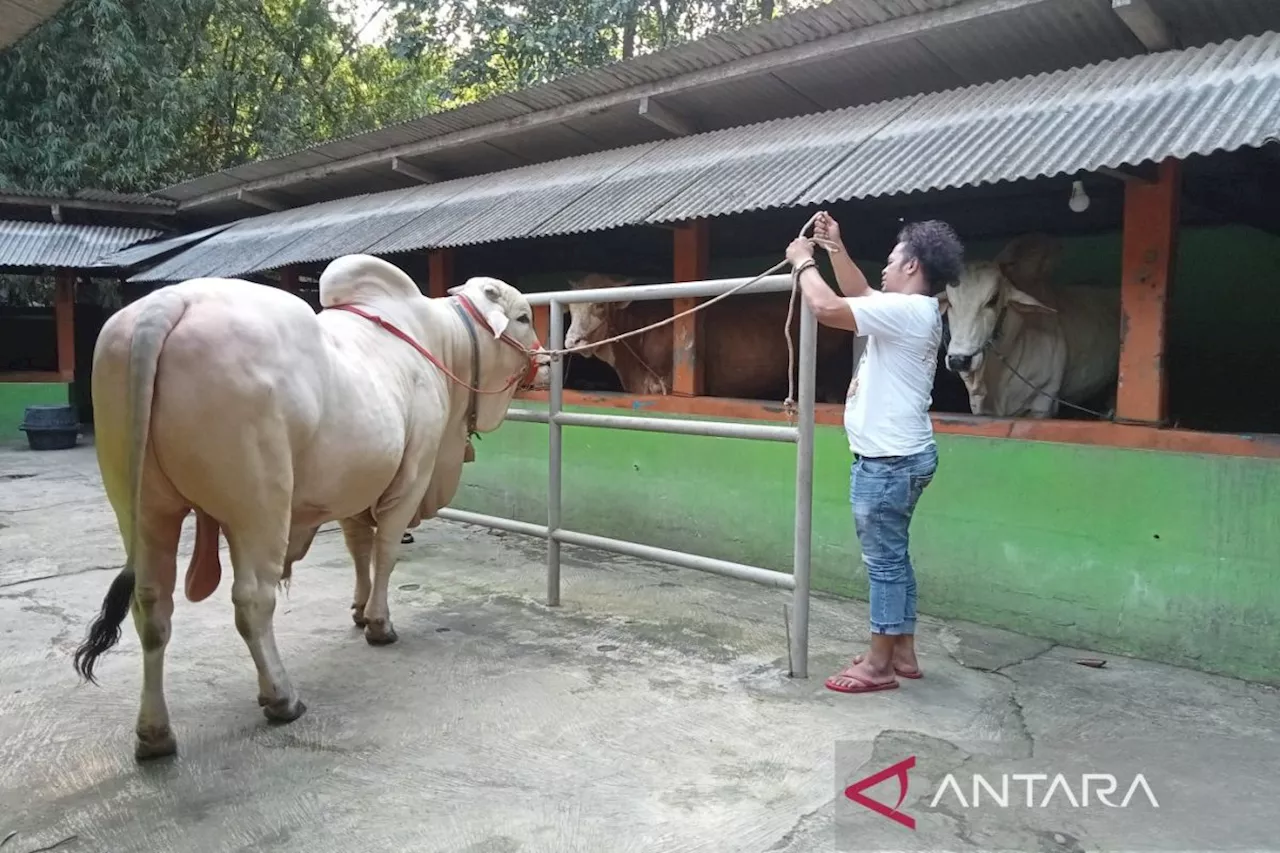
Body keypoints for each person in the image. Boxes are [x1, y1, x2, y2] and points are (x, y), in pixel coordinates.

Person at [785, 213, 964, 694]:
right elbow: (860, 292)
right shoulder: (915, 309)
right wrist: (835, 247)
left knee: (883, 565)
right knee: (894, 559)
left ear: (912, 265)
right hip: (902, 456)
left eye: (891, 260)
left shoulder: (907, 313)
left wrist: (803, 263)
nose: (883, 269)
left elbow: (825, 307)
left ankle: (879, 665)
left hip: (887, 462)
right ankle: (901, 652)